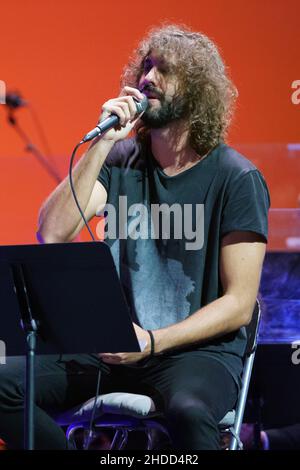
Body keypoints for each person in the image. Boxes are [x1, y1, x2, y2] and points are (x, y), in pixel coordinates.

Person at [0, 24, 270, 450]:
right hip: (114, 345)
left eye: (166, 70)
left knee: (190, 411)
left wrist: (153, 341)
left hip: (195, 352)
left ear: (198, 91)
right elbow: (52, 231)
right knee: (3, 385)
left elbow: (239, 304)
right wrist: (103, 144)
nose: (148, 79)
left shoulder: (236, 178)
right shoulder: (121, 160)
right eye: (146, 67)